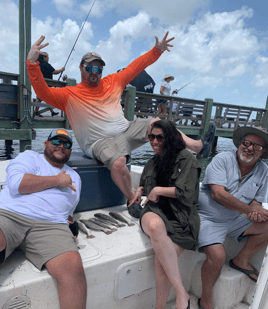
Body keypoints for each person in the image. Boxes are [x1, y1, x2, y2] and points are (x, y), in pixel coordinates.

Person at [27, 32, 215, 219]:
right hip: (98, 142)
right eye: (90, 68)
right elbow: (42, 91)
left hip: (126, 129)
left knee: (159, 123)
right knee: (118, 163)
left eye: (98, 69)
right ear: (81, 68)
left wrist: (156, 50)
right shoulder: (68, 94)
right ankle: (132, 199)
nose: (95, 73)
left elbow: (136, 66)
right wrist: (32, 63)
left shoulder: (113, 81)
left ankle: (198, 147)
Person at [0, 129, 87, 309]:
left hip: (52, 226)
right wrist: (57, 180)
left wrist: (69, 223)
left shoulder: (75, 177)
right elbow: (17, 185)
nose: (61, 146)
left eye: (67, 144)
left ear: (70, 150)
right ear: (46, 144)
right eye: (56, 141)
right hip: (10, 215)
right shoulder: (30, 157)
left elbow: (69, 208)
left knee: (73, 268)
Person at [130, 120, 200, 309]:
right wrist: (140, 190)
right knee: (154, 226)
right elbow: (144, 183)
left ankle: (161, 306)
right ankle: (181, 294)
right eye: (151, 137)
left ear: (170, 138)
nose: (155, 141)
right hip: (154, 210)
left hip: (181, 217)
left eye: (160, 137)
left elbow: (187, 193)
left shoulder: (186, 160)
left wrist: (159, 190)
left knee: (161, 261)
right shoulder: (152, 161)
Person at [197, 126, 268, 309]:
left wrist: (256, 210)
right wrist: (248, 210)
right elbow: (217, 194)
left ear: (263, 152)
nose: (250, 148)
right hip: (208, 218)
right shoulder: (222, 159)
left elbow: (256, 202)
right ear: (239, 144)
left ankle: (241, 260)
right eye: (247, 143)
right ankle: (206, 300)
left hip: (237, 220)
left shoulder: (263, 169)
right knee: (218, 256)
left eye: (257, 146)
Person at [34, 52, 65, 117]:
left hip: (39, 85)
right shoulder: (46, 64)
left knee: (41, 98)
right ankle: (37, 112)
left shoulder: (38, 65)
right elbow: (54, 72)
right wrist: (61, 70)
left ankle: (48, 112)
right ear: (44, 57)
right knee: (43, 98)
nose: (48, 58)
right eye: (47, 56)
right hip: (46, 85)